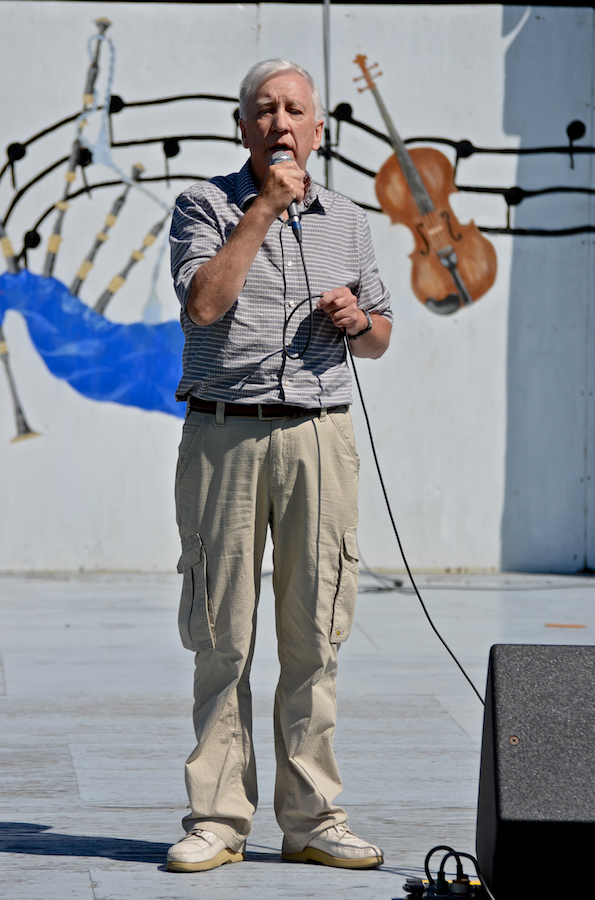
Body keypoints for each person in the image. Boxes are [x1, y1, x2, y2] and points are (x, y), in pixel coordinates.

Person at [167, 58, 392, 874]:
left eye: (296, 109)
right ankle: (219, 819)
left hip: (320, 438)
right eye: (265, 110)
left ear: (319, 128)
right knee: (222, 633)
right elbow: (203, 304)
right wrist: (263, 210)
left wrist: (356, 316)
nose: (281, 123)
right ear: (242, 128)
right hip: (224, 435)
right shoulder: (204, 204)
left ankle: (311, 818)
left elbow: (380, 336)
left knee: (314, 634)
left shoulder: (349, 219)